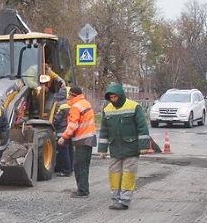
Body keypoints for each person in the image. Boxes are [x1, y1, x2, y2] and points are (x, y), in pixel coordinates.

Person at [98, 82, 150, 210]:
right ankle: (116, 198)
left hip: (131, 148)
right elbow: (104, 131)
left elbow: (142, 127)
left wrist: (143, 146)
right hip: (115, 148)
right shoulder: (107, 110)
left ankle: (125, 200)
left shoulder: (134, 107)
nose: (113, 99)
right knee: (114, 174)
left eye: (115, 97)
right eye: (111, 97)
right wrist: (102, 149)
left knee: (128, 174)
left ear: (120, 95)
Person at [59, 86, 96, 198]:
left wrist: (64, 137)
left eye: (69, 95)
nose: (68, 97)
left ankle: (83, 191)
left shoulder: (75, 107)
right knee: (84, 165)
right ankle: (83, 189)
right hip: (89, 138)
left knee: (79, 166)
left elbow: (73, 125)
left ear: (73, 95)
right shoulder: (85, 103)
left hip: (82, 139)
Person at [51, 87, 73, 177]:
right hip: (70, 131)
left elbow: (57, 120)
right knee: (70, 150)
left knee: (63, 151)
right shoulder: (71, 104)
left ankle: (65, 170)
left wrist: (52, 124)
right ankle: (70, 168)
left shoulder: (61, 105)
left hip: (62, 131)